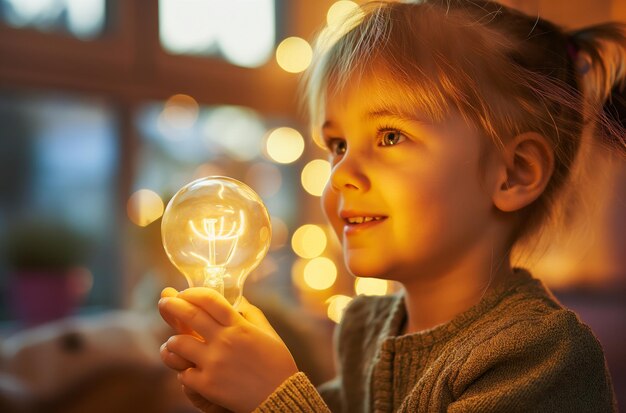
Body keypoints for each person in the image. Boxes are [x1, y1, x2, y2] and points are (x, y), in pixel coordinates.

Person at [158, 1, 624, 411]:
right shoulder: (367, 328)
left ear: (515, 173)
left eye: (389, 136)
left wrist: (274, 398)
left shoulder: (539, 358)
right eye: (337, 144)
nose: (339, 173)